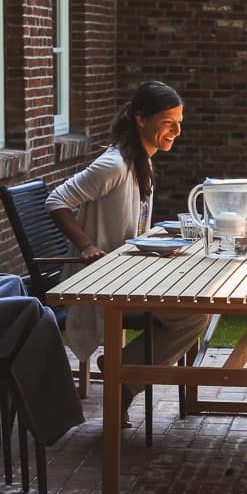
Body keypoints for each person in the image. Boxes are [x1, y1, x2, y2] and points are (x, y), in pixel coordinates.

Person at [46, 80, 209, 426]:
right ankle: (122, 377)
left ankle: (122, 371)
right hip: (103, 282)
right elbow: (57, 200)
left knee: (196, 304)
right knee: (193, 314)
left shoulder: (140, 161)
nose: (177, 131)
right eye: (168, 123)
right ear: (141, 119)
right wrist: (86, 245)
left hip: (128, 275)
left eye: (179, 122)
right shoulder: (115, 165)